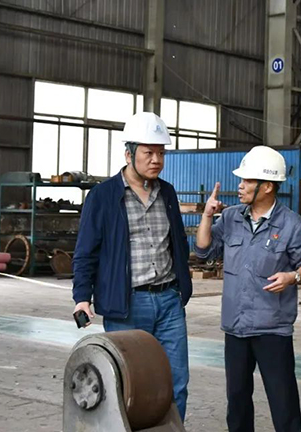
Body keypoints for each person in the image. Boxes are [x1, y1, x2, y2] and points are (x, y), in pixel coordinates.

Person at [72, 112, 192, 420]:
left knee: (176, 382)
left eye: (161, 153)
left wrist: (183, 286)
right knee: (130, 386)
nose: (156, 160)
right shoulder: (103, 197)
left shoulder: (167, 193)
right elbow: (86, 252)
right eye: (148, 153)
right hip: (127, 305)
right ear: (129, 154)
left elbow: (178, 242)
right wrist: (82, 297)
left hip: (168, 301)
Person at [195, 145, 301, 432]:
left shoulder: (290, 224)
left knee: (283, 402)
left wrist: (292, 277)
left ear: (267, 186)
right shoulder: (231, 218)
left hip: (272, 328)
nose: (240, 186)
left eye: (247, 180)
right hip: (236, 326)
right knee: (237, 401)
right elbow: (203, 250)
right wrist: (207, 216)